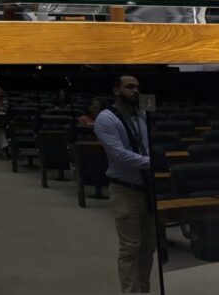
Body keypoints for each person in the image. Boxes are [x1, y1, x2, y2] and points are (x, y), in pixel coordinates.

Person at [94, 75, 155, 293]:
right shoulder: (106, 118)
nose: (135, 91)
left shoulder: (142, 116)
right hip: (125, 189)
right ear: (116, 90)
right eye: (129, 87)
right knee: (130, 248)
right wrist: (153, 162)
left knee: (148, 247)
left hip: (148, 188)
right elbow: (119, 155)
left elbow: (149, 146)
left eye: (138, 87)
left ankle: (143, 289)